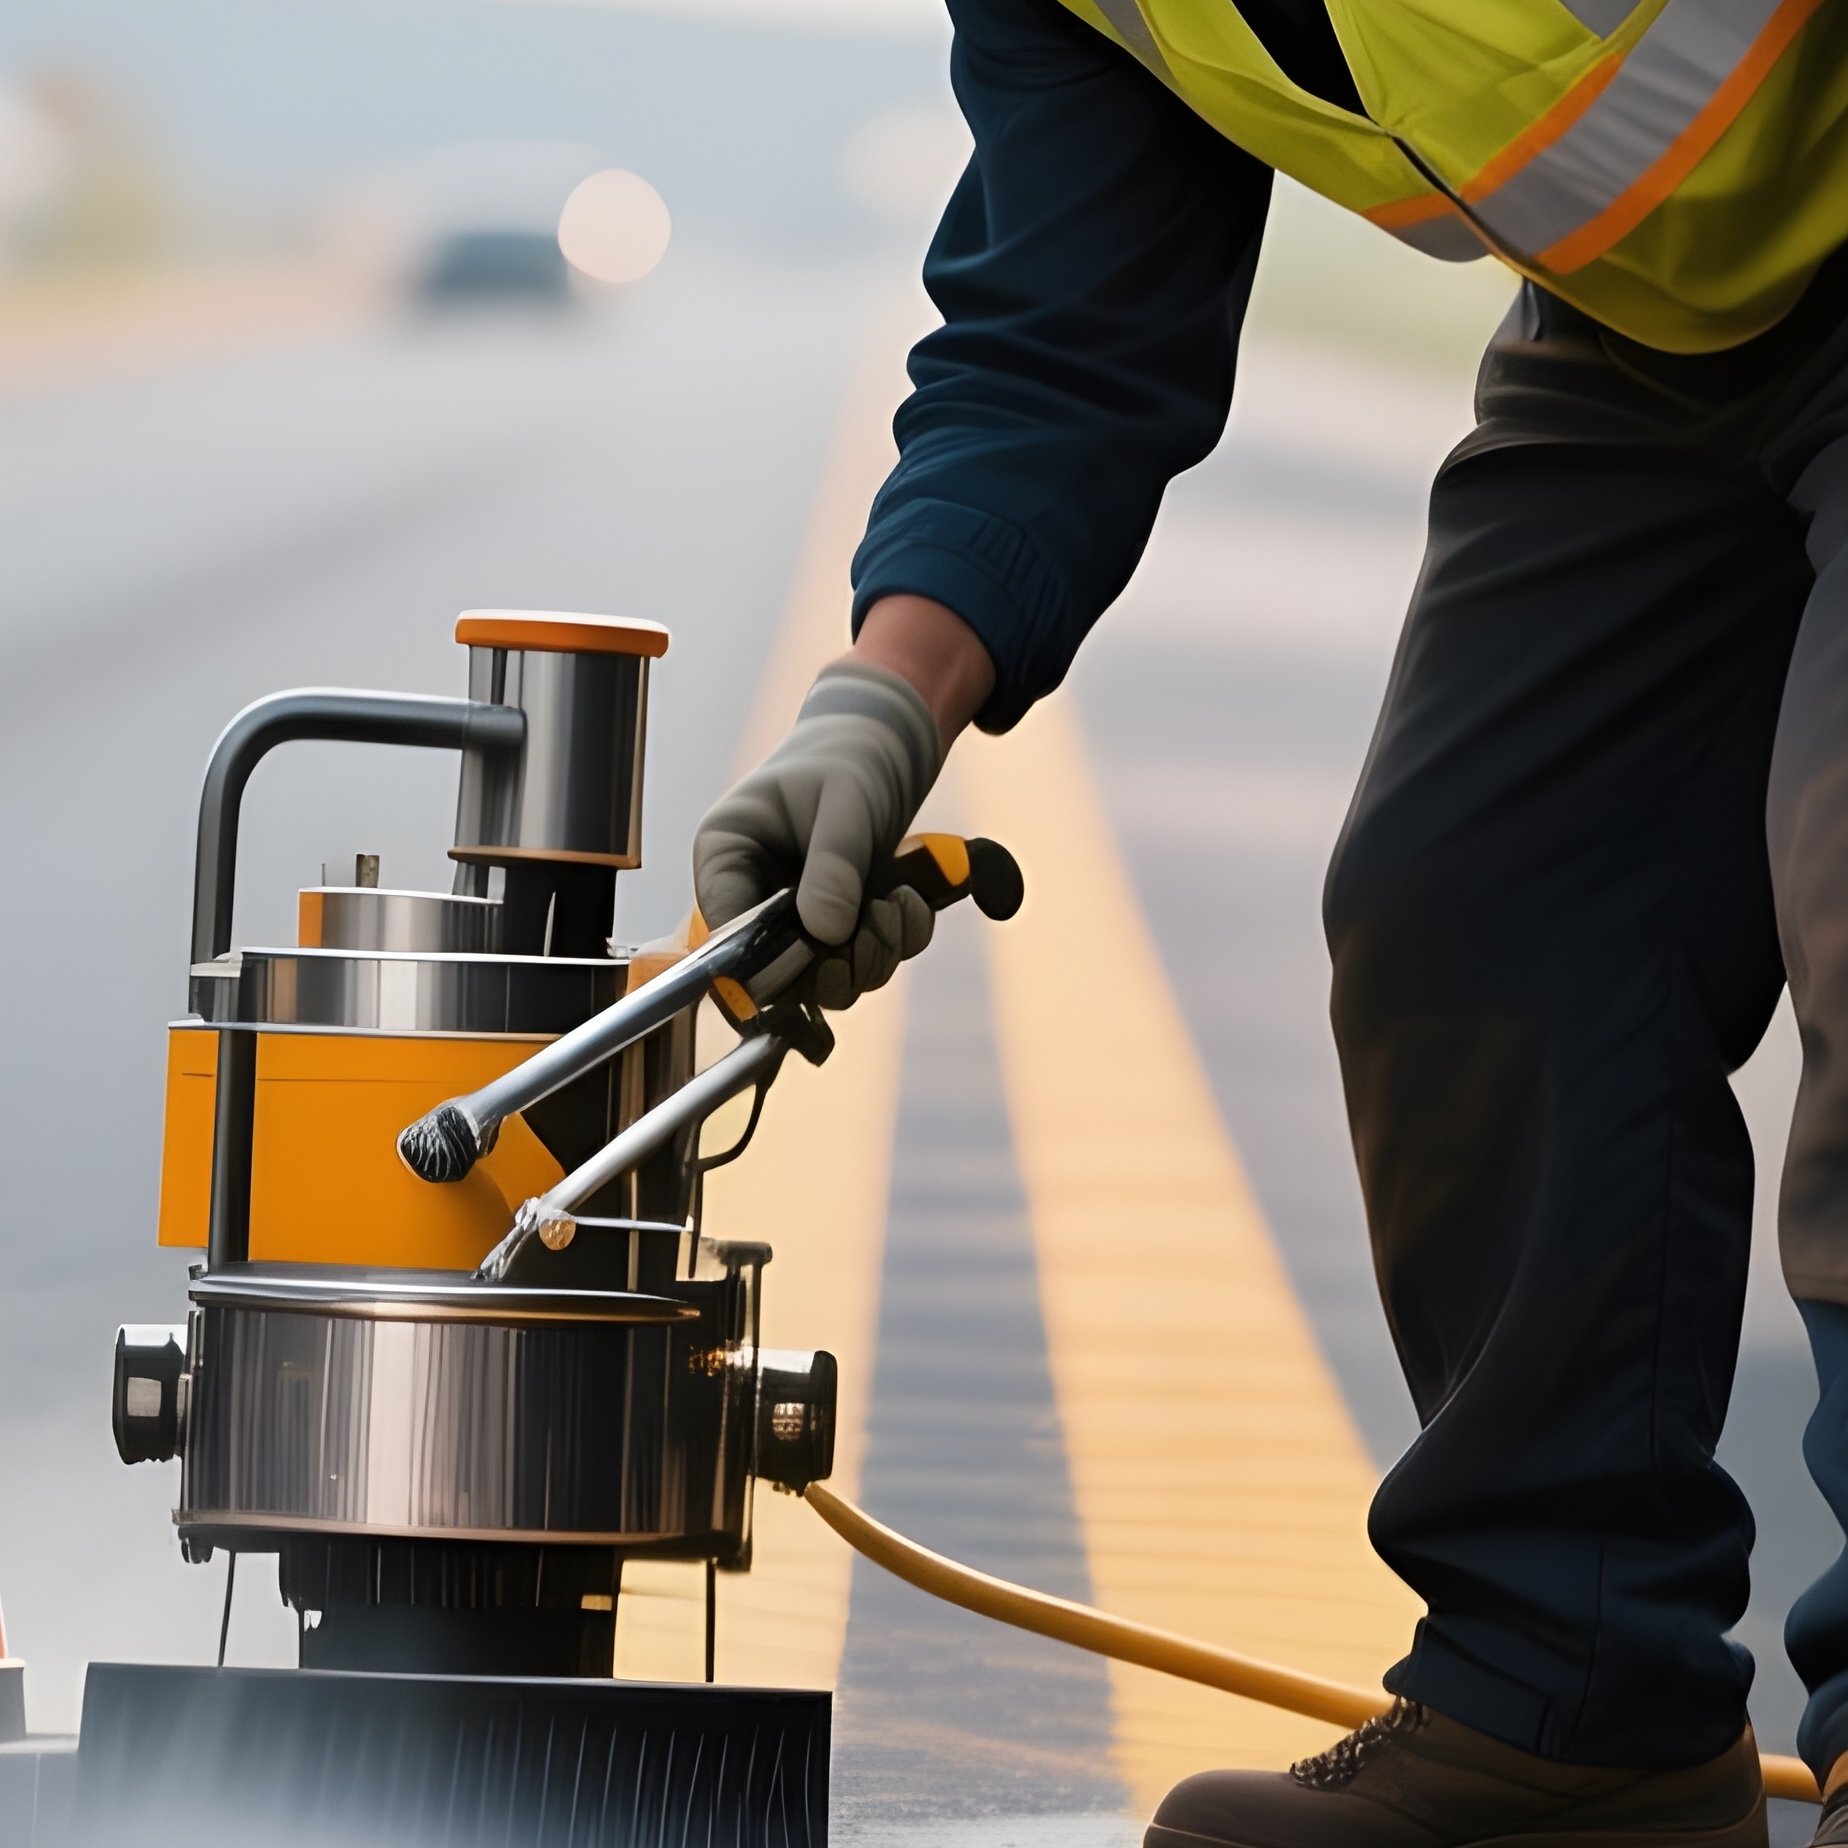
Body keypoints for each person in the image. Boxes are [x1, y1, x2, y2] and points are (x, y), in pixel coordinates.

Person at [691, 0, 1848, 1841]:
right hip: (1664, 332)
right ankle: (1571, 1712)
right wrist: (883, 702)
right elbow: (1067, 324)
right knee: (1475, 905)